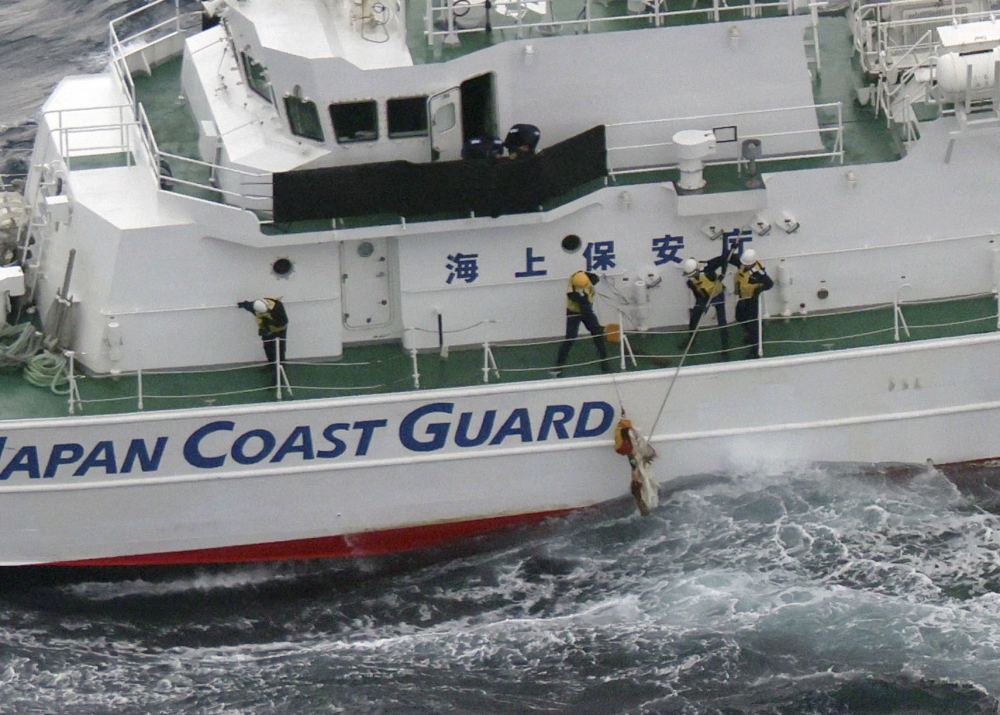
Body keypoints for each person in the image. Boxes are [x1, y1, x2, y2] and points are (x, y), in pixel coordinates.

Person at [553, 270, 610, 376]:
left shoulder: (584, 277)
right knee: (570, 337)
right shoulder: (572, 292)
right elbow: (583, 307)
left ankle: (604, 361)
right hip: (574, 312)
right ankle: (559, 365)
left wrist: (596, 327)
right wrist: (597, 326)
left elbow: (595, 279)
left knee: (597, 335)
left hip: (587, 309)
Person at [680, 249, 730, 354]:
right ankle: (691, 340)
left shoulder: (708, 267)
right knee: (694, 318)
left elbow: (723, 259)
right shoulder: (691, 281)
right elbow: (696, 291)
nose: (691, 277)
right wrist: (700, 303)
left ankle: (725, 346)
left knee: (722, 321)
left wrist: (723, 274)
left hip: (717, 295)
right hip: (703, 297)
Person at [732, 248, 774, 356]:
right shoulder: (743, 265)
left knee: (753, 324)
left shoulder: (759, 273)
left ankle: (755, 350)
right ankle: (752, 334)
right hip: (743, 298)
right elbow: (733, 261)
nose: (744, 265)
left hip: (752, 300)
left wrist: (758, 290)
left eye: (746, 264)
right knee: (739, 317)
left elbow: (769, 284)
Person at [238, 297, 288, 366]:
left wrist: (269, 322)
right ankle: (271, 365)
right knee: (268, 349)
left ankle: (281, 367)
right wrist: (244, 304)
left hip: (279, 331)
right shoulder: (256, 306)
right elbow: (250, 307)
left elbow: (283, 322)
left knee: (280, 350)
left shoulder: (278, 308)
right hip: (267, 332)